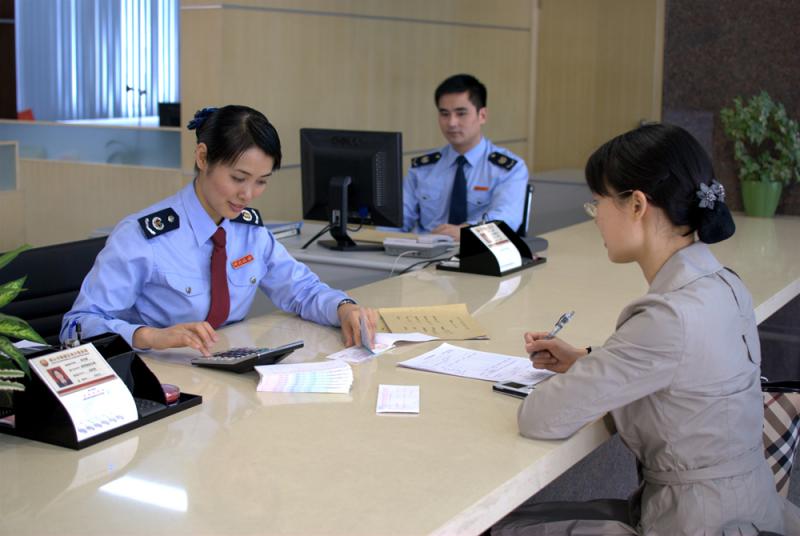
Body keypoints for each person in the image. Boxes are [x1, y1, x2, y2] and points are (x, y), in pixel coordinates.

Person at [493, 124, 799, 535]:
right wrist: (587, 359)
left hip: (694, 522)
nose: (595, 218)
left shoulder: (667, 316)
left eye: (597, 202)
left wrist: (591, 372)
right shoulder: (726, 283)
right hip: (749, 508)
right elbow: (679, 365)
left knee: (500, 528)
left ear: (637, 204)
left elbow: (539, 417)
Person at [61, 105, 375, 355]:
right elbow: (77, 326)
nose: (248, 194)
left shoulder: (249, 232)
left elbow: (302, 291)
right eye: (238, 178)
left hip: (225, 374)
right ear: (202, 157)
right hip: (161, 378)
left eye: (261, 182)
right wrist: (150, 336)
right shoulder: (144, 237)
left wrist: (343, 308)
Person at [401, 74, 529, 240]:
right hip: (423, 250)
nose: (451, 123)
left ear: (482, 115)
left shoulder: (509, 169)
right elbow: (398, 220)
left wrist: (467, 232)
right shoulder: (422, 168)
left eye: (461, 113)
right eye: (444, 114)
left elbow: (506, 219)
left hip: (479, 250)